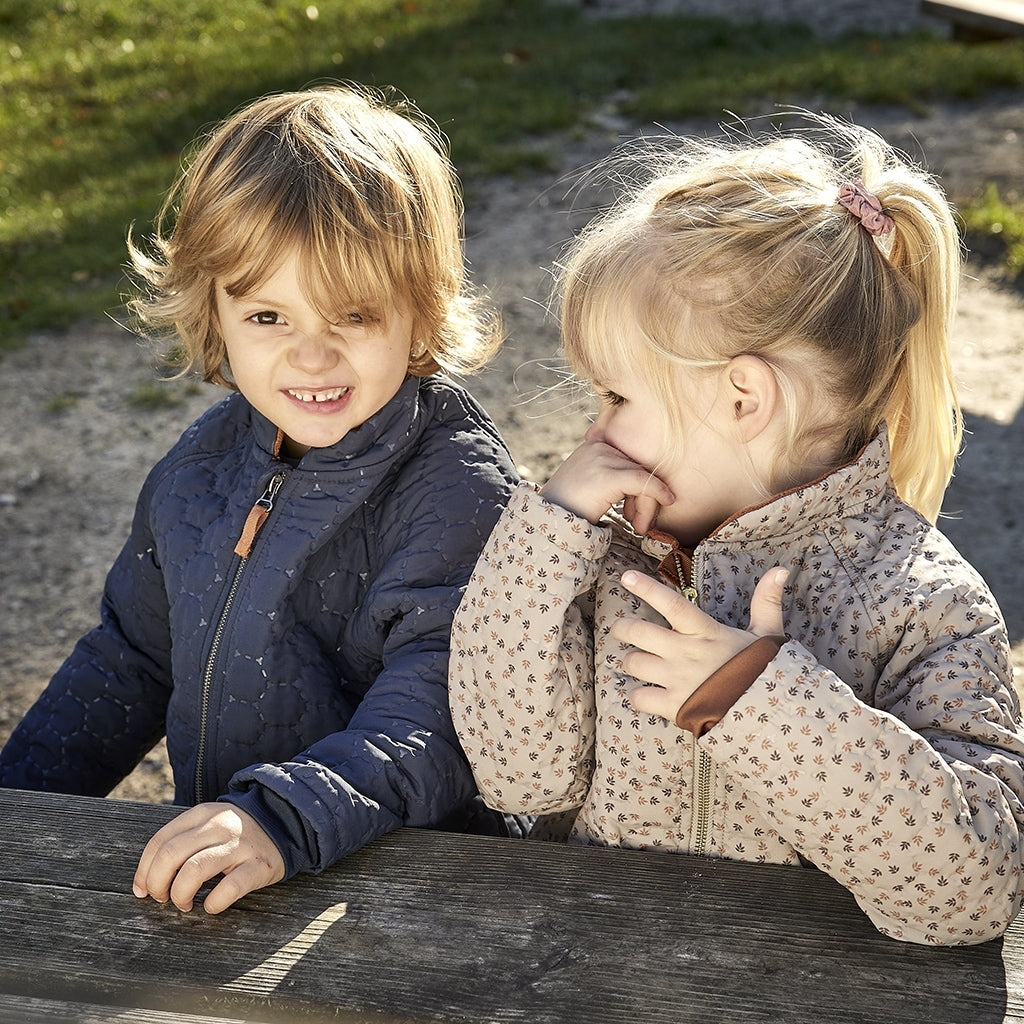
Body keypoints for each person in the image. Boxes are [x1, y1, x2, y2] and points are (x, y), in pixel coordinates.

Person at [449, 116, 1024, 945]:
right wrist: (543, 536)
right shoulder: (602, 559)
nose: (594, 434)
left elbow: (971, 894)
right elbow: (517, 780)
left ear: (744, 399)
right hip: (593, 980)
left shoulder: (922, 603)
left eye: (615, 398)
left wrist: (757, 700)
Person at [0, 83, 523, 914]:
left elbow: (441, 714)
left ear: (421, 310)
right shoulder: (202, 466)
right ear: (216, 310)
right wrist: (20, 796)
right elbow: (131, 658)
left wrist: (281, 817)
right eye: (269, 317)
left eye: (352, 316)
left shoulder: (458, 490)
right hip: (239, 866)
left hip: (405, 889)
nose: (311, 357)